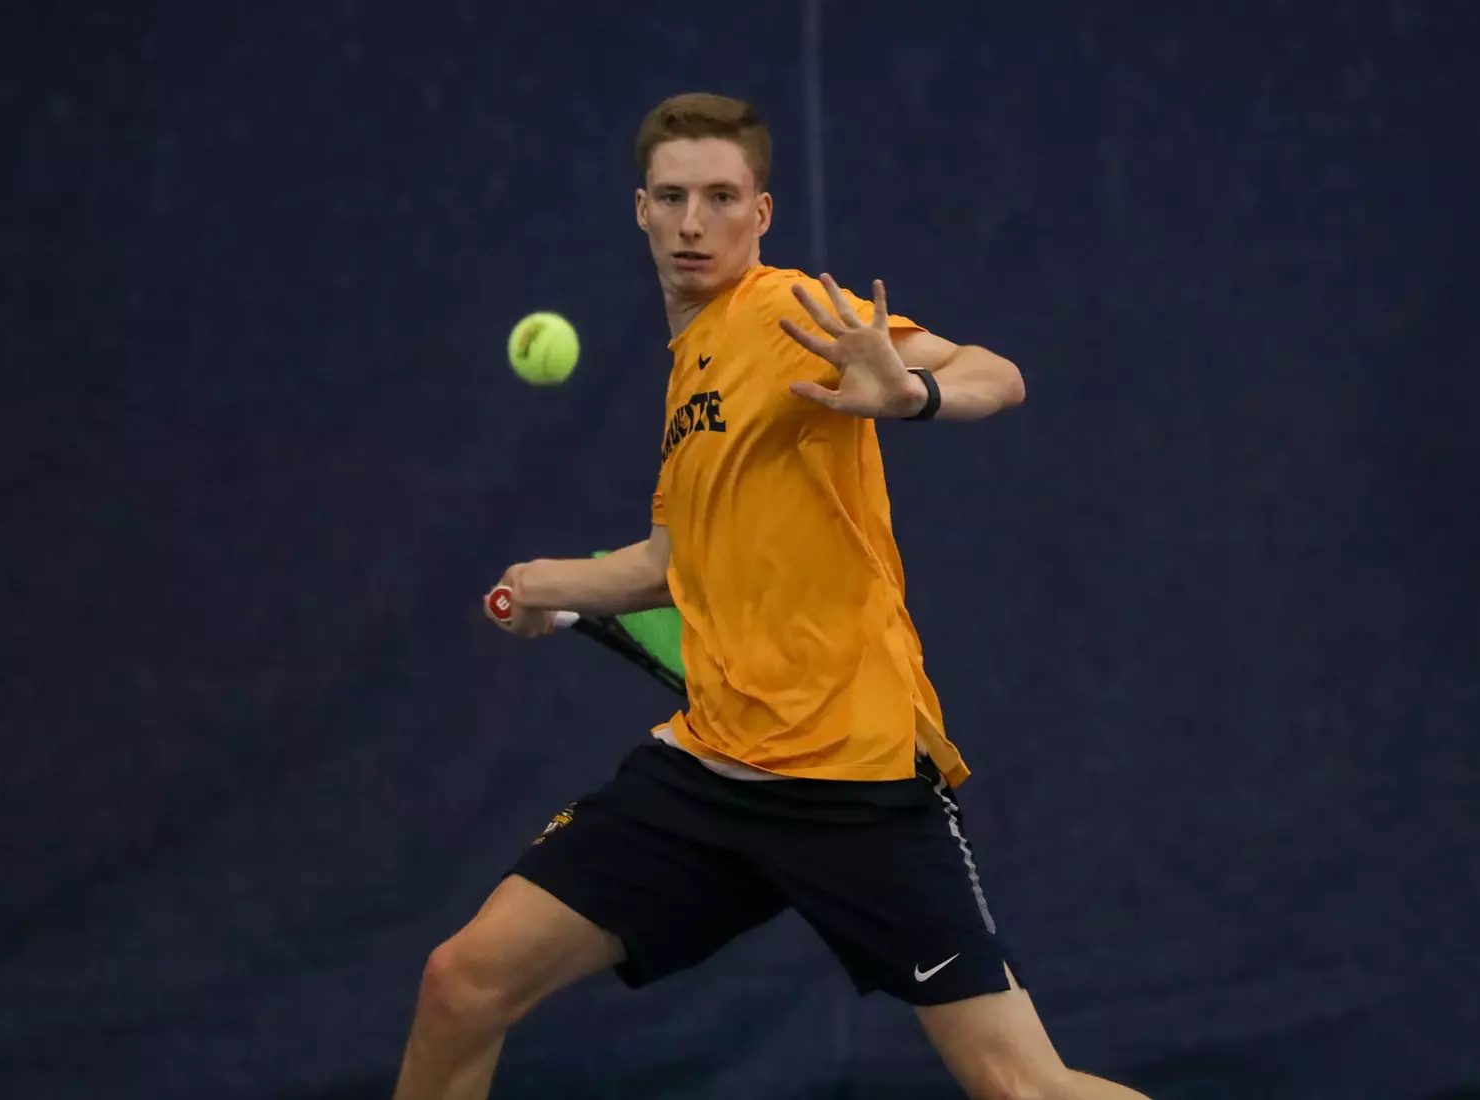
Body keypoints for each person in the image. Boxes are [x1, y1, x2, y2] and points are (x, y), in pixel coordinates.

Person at [392, 92, 1149, 1100]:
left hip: (852, 774)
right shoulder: (694, 360)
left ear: (762, 212)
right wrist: (544, 584)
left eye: (720, 196)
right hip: (712, 768)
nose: (694, 220)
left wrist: (913, 393)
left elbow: (994, 374)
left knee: (1024, 1087)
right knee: (462, 981)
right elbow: (674, 559)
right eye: (673, 197)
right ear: (641, 211)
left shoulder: (785, 315)